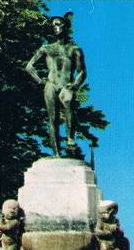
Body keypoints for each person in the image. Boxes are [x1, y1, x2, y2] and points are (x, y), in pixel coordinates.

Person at [25, 12, 87, 156]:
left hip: (66, 85)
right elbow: (29, 66)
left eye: (58, 24)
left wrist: (75, 85)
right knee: (53, 119)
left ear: (66, 26)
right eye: (53, 25)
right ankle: (56, 153)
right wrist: (40, 81)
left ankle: (70, 140)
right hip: (51, 85)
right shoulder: (46, 48)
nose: (55, 27)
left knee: (69, 110)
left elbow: (82, 72)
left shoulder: (75, 49)